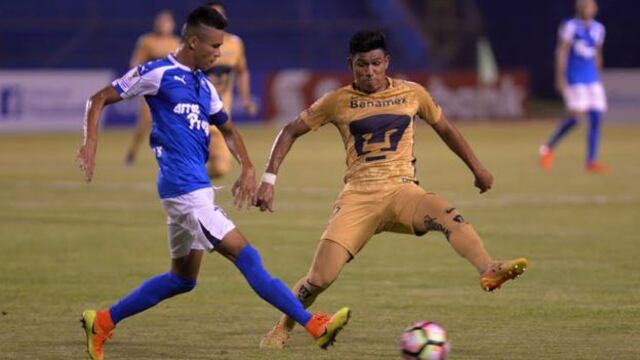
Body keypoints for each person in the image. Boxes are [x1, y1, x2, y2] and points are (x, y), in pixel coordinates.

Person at [76, 7, 349, 360]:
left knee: (182, 279)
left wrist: (248, 168)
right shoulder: (157, 72)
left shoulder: (204, 86)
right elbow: (98, 99)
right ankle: (315, 326)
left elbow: (229, 129)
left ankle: (101, 322)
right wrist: (91, 143)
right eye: (214, 46)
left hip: (191, 189)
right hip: (186, 192)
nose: (219, 54)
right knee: (248, 256)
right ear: (193, 42)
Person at [254, 30, 528, 349]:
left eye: (375, 63)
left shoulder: (412, 94)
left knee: (446, 212)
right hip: (359, 196)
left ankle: (488, 268)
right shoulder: (337, 101)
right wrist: (269, 178)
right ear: (350, 65)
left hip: (402, 192)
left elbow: (446, 129)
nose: (369, 71)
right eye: (361, 65)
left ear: (386, 62)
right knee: (320, 278)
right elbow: (290, 130)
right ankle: (283, 326)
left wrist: (477, 167)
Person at [539, 0, 608, 173]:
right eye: (584, 4)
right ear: (578, 7)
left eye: (590, 5)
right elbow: (562, 52)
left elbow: (597, 55)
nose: (587, 7)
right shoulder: (569, 26)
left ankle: (591, 161)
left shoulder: (599, 29)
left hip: (592, 80)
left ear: (595, 8)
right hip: (575, 79)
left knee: (596, 118)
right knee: (576, 119)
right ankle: (548, 147)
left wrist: (599, 78)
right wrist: (560, 78)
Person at [204, 0, 258, 179]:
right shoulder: (195, 43)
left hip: (221, 117)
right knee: (190, 162)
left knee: (219, 170)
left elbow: (242, 72)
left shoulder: (234, 44)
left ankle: (196, 179)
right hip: (195, 116)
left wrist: (246, 99)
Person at [124, 9, 180, 166]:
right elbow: (136, 63)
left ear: (172, 25)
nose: (164, 25)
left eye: (167, 22)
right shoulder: (147, 41)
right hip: (151, 89)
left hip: (170, 90)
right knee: (145, 123)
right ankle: (132, 152)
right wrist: (133, 83)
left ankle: (173, 155)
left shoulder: (177, 43)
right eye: (161, 21)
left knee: (174, 122)